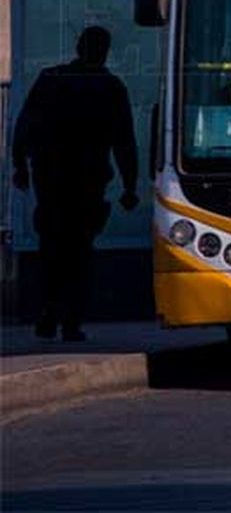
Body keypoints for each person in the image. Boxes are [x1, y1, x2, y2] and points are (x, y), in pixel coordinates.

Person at [11, 26, 138, 341]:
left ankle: (51, 313)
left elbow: (25, 124)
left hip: (53, 182)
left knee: (53, 250)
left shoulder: (53, 79)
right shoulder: (110, 88)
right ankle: (68, 319)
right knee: (79, 253)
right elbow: (124, 142)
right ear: (104, 51)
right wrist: (130, 186)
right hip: (85, 184)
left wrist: (20, 166)